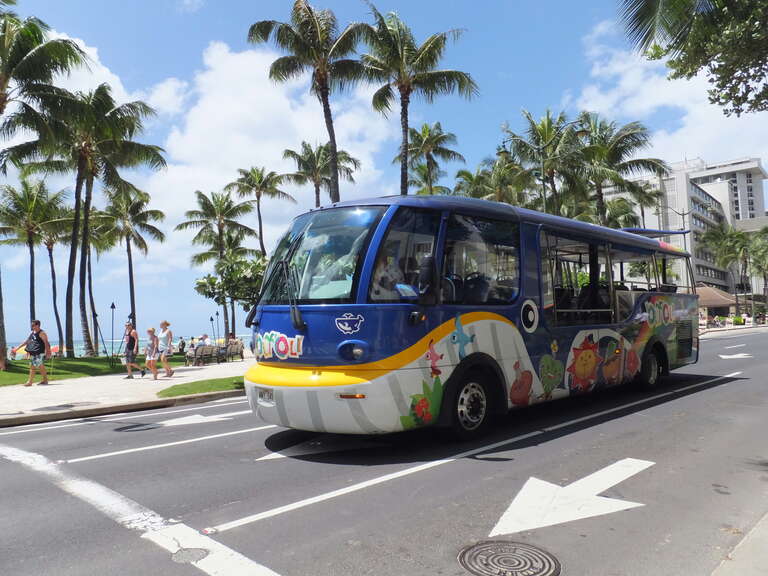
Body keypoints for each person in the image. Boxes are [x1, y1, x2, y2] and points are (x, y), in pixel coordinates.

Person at [19, 320, 51, 386]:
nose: (32, 327)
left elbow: (46, 343)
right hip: (34, 352)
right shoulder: (33, 333)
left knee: (33, 367)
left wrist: (48, 352)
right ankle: (45, 380)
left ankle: (30, 382)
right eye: (31, 325)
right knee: (40, 367)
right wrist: (17, 348)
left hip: (39, 352)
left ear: (38, 325)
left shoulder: (42, 333)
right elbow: (27, 341)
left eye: (33, 325)